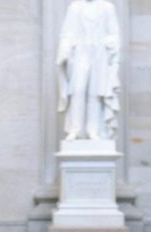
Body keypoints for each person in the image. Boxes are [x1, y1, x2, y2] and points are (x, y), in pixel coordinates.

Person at [56, 0, 120, 141]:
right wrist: (64, 51)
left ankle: (93, 130)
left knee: (95, 93)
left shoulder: (107, 7)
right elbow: (67, 33)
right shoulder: (74, 7)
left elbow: (114, 33)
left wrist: (111, 46)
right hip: (79, 52)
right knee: (77, 90)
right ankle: (75, 129)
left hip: (100, 53)